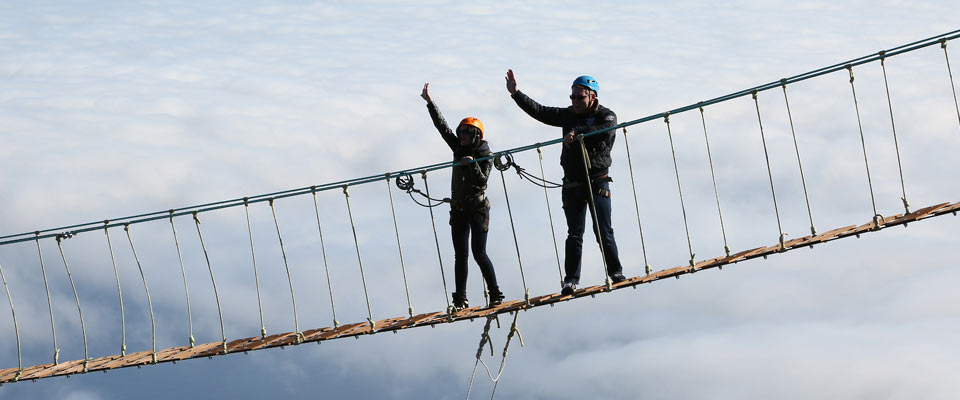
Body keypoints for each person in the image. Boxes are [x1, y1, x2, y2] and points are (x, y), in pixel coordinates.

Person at [504, 70, 626, 295]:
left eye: (580, 97)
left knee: (603, 231)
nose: (575, 102)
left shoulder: (607, 116)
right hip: (572, 183)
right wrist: (516, 94)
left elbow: (603, 131)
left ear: (593, 97)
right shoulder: (568, 115)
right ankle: (570, 280)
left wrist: (577, 132)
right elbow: (540, 111)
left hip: (597, 181)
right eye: (572, 97)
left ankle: (615, 272)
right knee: (574, 234)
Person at [421, 83, 504, 310]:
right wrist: (430, 103)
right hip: (458, 209)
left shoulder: (485, 153)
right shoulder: (458, 147)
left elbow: (482, 182)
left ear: (476, 135)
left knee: (479, 253)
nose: (461, 135)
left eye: (466, 132)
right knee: (461, 256)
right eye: (460, 132)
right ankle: (460, 299)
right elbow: (443, 128)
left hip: (477, 208)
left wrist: (471, 165)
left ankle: (495, 293)